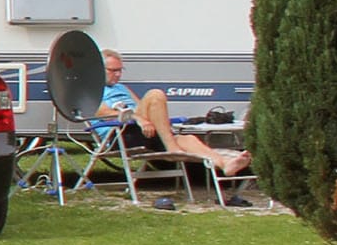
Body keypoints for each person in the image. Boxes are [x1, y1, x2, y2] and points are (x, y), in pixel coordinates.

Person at [90, 50, 251, 179]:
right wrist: (139, 118)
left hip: (143, 131)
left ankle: (225, 163)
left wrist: (149, 120)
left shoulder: (122, 88)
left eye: (120, 70)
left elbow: (141, 107)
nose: (118, 75)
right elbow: (104, 113)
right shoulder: (91, 92)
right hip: (119, 135)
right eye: (113, 71)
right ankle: (172, 148)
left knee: (188, 139)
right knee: (155, 95)